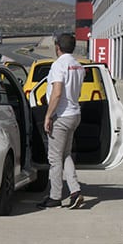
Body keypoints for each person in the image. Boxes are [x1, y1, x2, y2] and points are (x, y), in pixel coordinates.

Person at [37, 33, 85, 209]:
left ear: (57, 47)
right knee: (65, 155)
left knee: (54, 159)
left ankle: (55, 196)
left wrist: (48, 116)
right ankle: (75, 191)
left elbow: (57, 92)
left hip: (62, 115)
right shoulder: (78, 65)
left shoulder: (59, 65)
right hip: (74, 114)